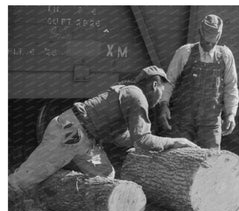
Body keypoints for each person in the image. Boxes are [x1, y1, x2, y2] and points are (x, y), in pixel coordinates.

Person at [9, 66, 199, 199]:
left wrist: (139, 141)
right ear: (155, 86)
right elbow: (142, 140)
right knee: (26, 178)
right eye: (163, 91)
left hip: (86, 140)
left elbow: (119, 137)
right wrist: (174, 142)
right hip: (71, 131)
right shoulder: (136, 96)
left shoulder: (128, 92)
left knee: (105, 177)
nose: (162, 98)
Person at [158, 14, 239, 150]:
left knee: (210, 162)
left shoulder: (225, 56)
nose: (208, 44)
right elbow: (169, 81)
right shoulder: (185, 53)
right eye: (205, 40)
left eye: (212, 41)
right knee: (180, 159)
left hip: (210, 122)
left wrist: (231, 114)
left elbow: (231, 87)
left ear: (218, 37)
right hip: (183, 121)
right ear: (199, 33)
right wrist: (164, 105)